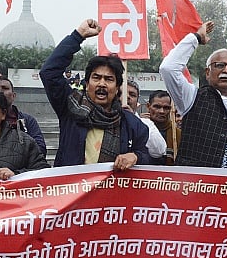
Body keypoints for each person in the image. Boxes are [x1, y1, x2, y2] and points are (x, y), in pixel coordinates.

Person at [159, 21, 227, 179]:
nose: (226, 70)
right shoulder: (192, 97)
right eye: (219, 65)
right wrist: (196, 38)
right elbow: (168, 68)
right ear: (207, 72)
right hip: (198, 187)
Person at [40, 19, 150, 169]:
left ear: (117, 87)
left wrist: (136, 156)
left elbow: (148, 158)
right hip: (72, 191)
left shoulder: (132, 125)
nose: (102, 84)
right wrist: (78, 36)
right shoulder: (70, 107)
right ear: (87, 84)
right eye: (96, 78)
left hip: (111, 192)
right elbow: (49, 72)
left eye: (109, 79)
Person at [0, 75, 47, 156]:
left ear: (13, 96)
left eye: (5, 88)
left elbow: (40, 149)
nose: (0, 91)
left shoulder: (28, 121)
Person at [122, 80, 166, 161]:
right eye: (122, 93)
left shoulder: (146, 124)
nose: (127, 97)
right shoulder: (103, 120)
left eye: (132, 95)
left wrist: (133, 119)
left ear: (137, 101)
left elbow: (160, 151)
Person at [144, 90, 181, 165]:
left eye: (166, 108)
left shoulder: (178, 134)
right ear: (148, 106)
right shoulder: (139, 129)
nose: (162, 111)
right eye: (157, 107)